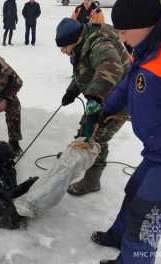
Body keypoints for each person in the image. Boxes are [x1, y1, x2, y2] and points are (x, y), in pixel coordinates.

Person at [87, 0, 161, 264]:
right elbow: (129, 81)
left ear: (147, 25)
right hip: (159, 150)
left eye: (125, 31)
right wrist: (106, 109)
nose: (120, 38)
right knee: (134, 192)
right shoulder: (149, 45)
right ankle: (118, 238)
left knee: (146, 219)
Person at [55, 18, 130, 196]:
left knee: (97, 137)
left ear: (75, 40)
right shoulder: (83, 40)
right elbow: (85, 68)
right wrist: (72, 90)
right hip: (102, 95)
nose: (63, 52)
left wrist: (94, 101)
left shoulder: (100, 43)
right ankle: (76, 158)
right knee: (85, 129)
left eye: (64, 48)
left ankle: (92, 181)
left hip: (120, 100)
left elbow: (111, 67)